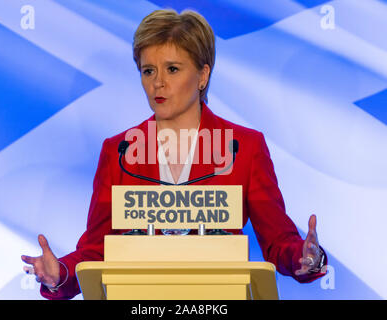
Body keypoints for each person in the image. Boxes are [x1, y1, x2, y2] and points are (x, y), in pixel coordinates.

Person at [21, 9, 327, 300]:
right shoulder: (119, 151)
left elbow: (277, 241)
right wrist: (59, 272)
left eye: (172, 69)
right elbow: (96, 250)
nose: (158, 83)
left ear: (203, 75)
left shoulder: (244, 148)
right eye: (148, 70)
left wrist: (305, 257)